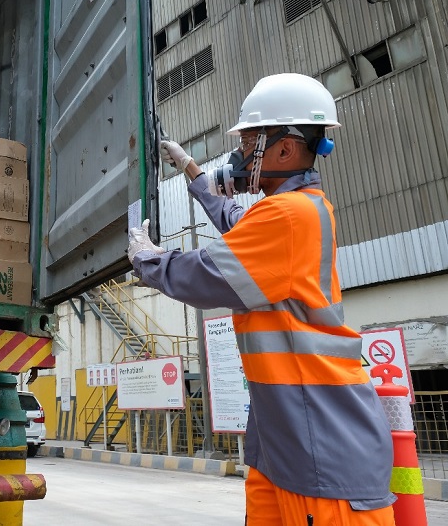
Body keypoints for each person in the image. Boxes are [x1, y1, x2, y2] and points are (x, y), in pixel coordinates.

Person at [128, 74, 396, 526]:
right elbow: (237, 219)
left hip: (321, 449)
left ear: (286, 149)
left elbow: (207, 274)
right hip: (284, 441)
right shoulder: (293, 209)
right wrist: (192, 170)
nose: (240, 155)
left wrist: (149, 259)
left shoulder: (289, 215)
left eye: (250, 142)